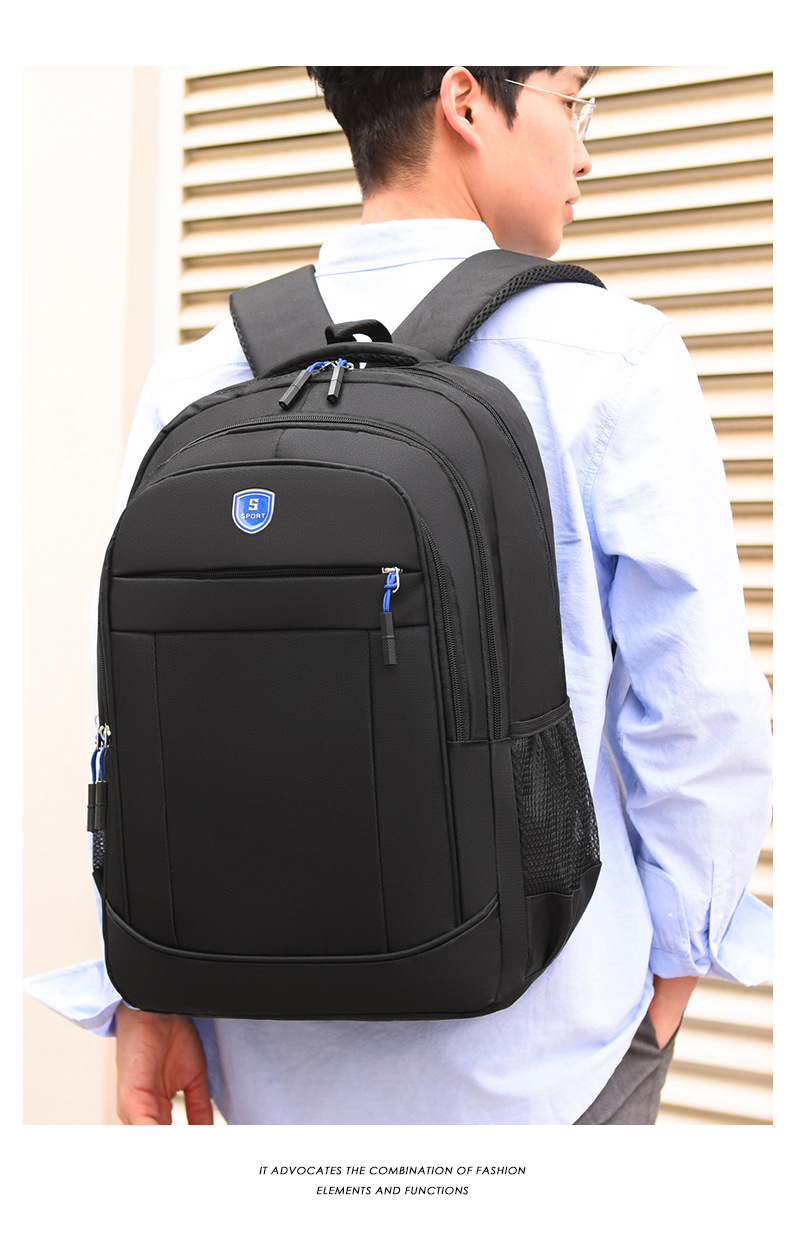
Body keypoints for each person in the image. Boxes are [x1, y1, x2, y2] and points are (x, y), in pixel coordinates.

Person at [26, 66, 772, 1126]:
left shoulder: (199, 377)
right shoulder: (611, 358)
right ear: (466, 100)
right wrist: (676, 976)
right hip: (542, 1057)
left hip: (262, 1060)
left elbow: (140, 728)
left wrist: (149, 988)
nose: (583, 149)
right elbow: (698, 714)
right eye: (571, 99)